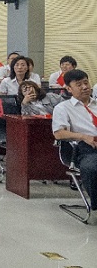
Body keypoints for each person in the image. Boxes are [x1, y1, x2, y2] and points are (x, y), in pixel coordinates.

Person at [52, 69, 97, 225]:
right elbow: (59, 134)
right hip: (82, 148)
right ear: (69, 89)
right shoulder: (63, 108)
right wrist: (84, 136)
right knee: (92, 167)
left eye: (86, 82)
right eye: (79, 84)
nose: (84, 87)